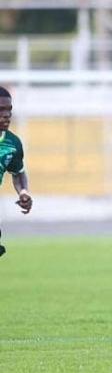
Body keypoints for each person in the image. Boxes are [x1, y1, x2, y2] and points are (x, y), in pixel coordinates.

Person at [0, 86, 33, 258]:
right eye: (1, 109)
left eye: (9, 109)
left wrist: (23, 192)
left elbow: (18, 172)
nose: (7, 114)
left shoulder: (12, 144)